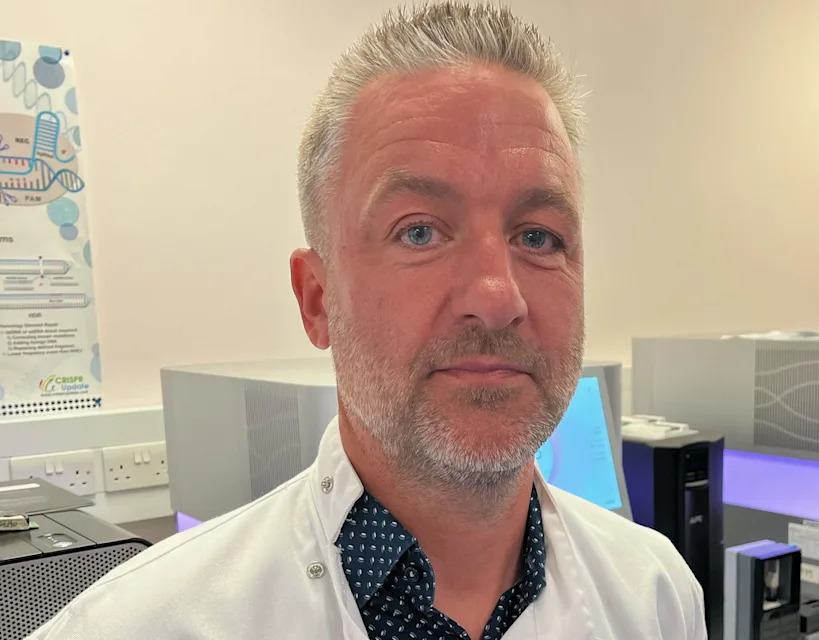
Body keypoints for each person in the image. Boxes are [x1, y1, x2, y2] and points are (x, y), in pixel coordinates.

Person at [31, 3, 706, 639]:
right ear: (318, 300)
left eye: (539, 237)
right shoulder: (138, 626)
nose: (498, 296)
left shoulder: (656, 594)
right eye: (419, 233)